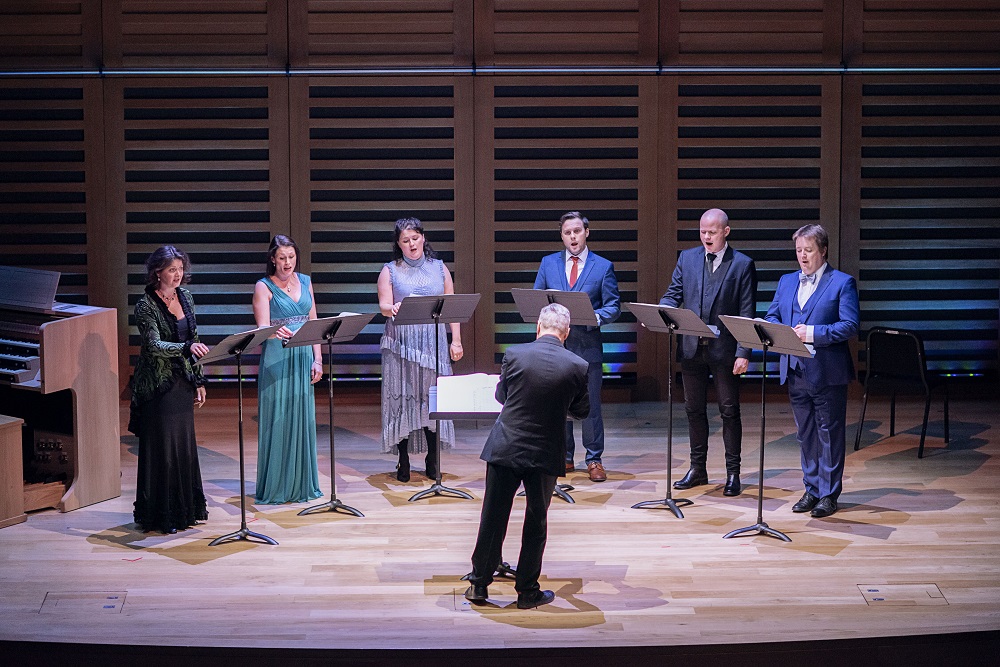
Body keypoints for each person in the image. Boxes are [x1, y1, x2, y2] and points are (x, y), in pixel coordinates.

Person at [465, 303, 590, 609]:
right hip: (545, 451)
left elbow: (502, 396)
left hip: (506, 445)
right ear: (567, 333)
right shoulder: (577, 365)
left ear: (538, 327)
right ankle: (526, 591)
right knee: (537, 519)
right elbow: (582, 411)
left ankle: (479, 585)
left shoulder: (515, 354)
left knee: (493, 515)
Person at [659, 208, 756, 497]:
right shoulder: (687, 258)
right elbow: (673, 293)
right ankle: (697, 469)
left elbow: (747, 311)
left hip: (725, 349)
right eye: (702, 231)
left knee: (729, 411)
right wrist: (661, 311)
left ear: (726, 231)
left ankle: (733, 473)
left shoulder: (742, 264)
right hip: (692, 348)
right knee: (693, 410)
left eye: (712, 232)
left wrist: (744, 352)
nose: (706, 237)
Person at [765, 224, 859, 519]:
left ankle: (829, 494)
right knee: (806, 434)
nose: (802, 257)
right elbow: (772, 314)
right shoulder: (786, 281)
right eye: (798, 251)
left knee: (829, 432)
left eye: (808, 251)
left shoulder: (842, 282)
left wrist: (813, 332)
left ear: (823, 251)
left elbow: (850, 325)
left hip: (828, 371)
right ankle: (812, 488)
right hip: (795, 369)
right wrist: (771, 328)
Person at [533, 212, 620, 482]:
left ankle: (594, 458)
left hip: (587, 346)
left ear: (586, 233)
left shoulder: (603, 266)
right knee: (558, 404)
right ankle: (564, 455)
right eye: (568, 232)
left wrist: (595, 317)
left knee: (591, 405)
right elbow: (537, 299)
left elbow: (613, 306)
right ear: (562, 236)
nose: (573, 237)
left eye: (577, 231)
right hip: (555, 348)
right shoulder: (548, 264)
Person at [128, 246, 209, 534]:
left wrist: (198, 380)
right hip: (158, 387)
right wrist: (184, 348)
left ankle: (184, 511)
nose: (178, 275)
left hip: (182, 383)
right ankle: (161, 516)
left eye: (180, 269)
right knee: (163, 451)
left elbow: (195, 339)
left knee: (183, 448)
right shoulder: (145, 305)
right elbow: (152, 347)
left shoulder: (185, 297)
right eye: (172, 269)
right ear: (157, 272)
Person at [377, 217, 463, 482]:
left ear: (423, 238)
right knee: (402, 399)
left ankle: (432, 458)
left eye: (415, 238)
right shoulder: (390, 270)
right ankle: (402, 459)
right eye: (405, 240)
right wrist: (391, 308)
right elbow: (383, 305)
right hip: (401, 344)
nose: (411, 243)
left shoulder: (440, 268)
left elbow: (452, 308)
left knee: (434, 400)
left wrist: (456, 340)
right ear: (398, 244)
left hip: (432, 342)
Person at [252, 234, 323, 504]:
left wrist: (317, 359)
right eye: (282, 258)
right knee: (279, 419)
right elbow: (262, 329)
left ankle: (301, 484)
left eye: (291, 257)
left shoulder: (305, 281)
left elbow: (313, 320)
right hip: (278, 357)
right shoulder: (263, 286)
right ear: (273, 259)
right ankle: (277, 487)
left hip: (303, 354)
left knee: (301, 417)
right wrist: (273, 331)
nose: (287, 263)